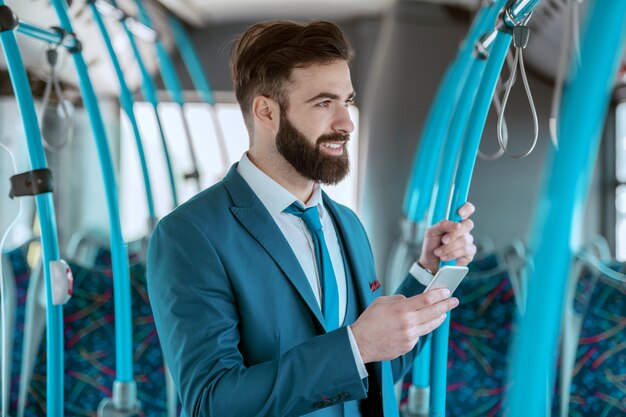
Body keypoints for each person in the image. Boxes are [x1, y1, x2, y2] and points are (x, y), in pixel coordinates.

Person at [147, 20, 476, 417]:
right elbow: (211, 402)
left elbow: (374, 372)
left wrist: (427, 272)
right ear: (266, 111)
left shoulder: (347, 225)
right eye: (324, 103)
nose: (346, 123)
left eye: (347, 101)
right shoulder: (191, 234)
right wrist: (356, 345)